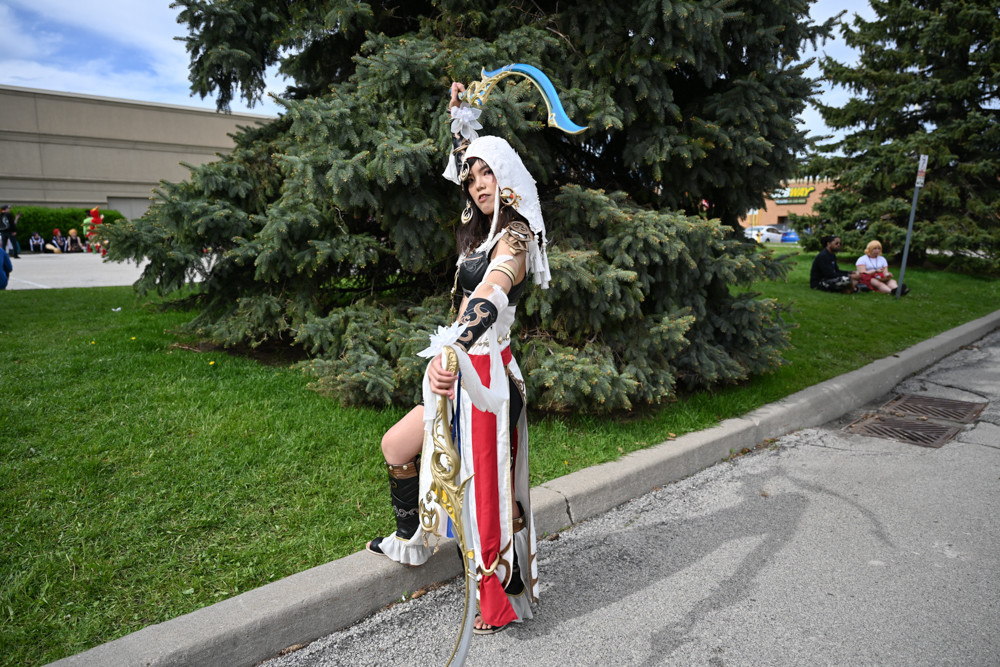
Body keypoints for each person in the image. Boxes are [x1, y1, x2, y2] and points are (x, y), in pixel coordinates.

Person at [365, 81, 546, 635]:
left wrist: (454, 346)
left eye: (488, 173)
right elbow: (466, 157)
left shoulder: (516, 238)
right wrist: (461, 117)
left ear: (508, 176)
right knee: (397, 446)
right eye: (472, 176)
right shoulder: (477, 229)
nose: (478, 183)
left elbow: (492, 292)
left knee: (489, 496)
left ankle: (499, 598)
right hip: (457, 369)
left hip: (487, 379)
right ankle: (413, 540)